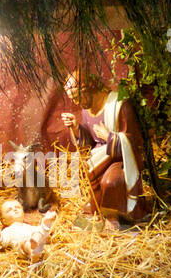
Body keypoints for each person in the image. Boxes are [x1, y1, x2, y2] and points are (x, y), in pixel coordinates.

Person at [60, 71, 151, 231]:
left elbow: (134, 140)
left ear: (88, 88)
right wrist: (76, 127)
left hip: (120, 159)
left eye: (77, 97)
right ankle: (99, 208)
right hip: (100, 158)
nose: (77, 102)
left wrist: (110, 138)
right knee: (92, 174)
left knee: (110, 182)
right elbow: (89, 141)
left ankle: (114, 217)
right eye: (73, 99)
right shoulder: (86, 110)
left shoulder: (118, 106)